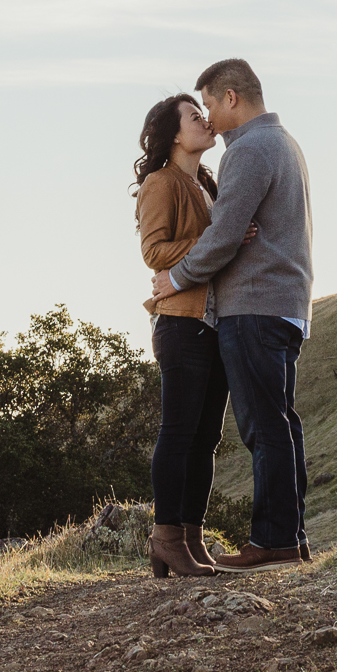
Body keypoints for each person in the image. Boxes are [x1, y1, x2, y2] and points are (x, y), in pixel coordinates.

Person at [148, 58, 314, 568]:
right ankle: (284, 536)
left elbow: (222, 238)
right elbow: (193, 239)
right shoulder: (283, 143)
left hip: (256, 307)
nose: (209, 118)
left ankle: (274, 540)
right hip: (278, 306)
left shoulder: (247, 152)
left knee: (265, 427)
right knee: (278, 423)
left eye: (210, 105)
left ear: (231, 98)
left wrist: (173, 280)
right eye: (196, 113)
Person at [134, 93, 229, 578]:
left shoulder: (208, 183)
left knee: (207, 437)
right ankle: (165, 535)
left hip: (216, 323)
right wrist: (218, 240)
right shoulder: (161, 182)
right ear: (174, 134)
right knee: (179, 432)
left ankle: (191, 537)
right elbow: (154, 252)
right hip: (180, 321)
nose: (207, 121)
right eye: (196, 117)